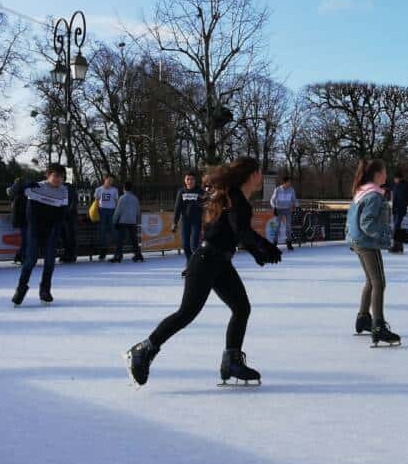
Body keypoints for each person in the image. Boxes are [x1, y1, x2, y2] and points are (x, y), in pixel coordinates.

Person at [125, 157, 282, 387]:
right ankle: (143, 351)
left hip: (219, 262)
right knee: (187, 312)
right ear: (251, 175)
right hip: (206, 261)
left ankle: (232, 361)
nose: (261, 176)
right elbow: (242, 230)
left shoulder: (234, 196)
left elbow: (234, 232)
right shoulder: (236, 197)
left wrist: (256, 252)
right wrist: (265, 247)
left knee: (241, 308)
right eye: (259, 172)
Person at [346, 159, 401, 347]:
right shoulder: (374, 196)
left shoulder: (362, 192)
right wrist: (386, 235)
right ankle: (378, 326)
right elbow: (367, 223)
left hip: (358, 241)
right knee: (379, 282)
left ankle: (363, 318)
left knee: (371, 281)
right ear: (377, 174)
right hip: (367, 243)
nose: (386, 176)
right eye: (384, 172)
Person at [11, 164, 69, 306]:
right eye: (55, 175)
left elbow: (62, 213)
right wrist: (21, 184)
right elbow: (12, 192)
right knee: (30, 261)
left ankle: (45, 290)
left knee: (50, 262)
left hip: (51, 231)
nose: (58, 179)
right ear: (47, 175)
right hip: (35, 229)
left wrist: (59, 231)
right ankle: (21, 289)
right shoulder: (36, 187)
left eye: (61, 177)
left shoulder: (64, 191)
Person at [172, 171, 205, 265]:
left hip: (196, 221)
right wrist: (174, 222)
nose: (190, 181)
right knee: (185, 245)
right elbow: (177, 208)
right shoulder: (181, 192)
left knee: (194, 245)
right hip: (185, 221)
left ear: (195, 180)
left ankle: (197, 263)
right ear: (185, 180)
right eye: (188, 179)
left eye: (192, 179)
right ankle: (190, 263)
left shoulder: (200, 191)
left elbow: (206, 205)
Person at [111, 182, 143, 263]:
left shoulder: (122, 198)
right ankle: (138, 254)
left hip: (123, 221)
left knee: (120, 240)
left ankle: (118, 255)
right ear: (131, 189)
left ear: (124, 189)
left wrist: (114, 221)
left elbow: (118, 211)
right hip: (132, 221)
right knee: (134, 239)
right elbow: (138, 211)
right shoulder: (135, 198)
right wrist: (137, 219)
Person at [93, 175, 120, 261]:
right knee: (102, 231)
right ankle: (103, 251)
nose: (110, 182)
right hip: (102, 211)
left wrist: (117, 212)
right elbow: (96, 202)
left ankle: (117, 250)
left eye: (112, 181)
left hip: (112, 211)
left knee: (113, 230)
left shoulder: (115, 190)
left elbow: (116, 202)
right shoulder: (98, 190)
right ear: (105, 179)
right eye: (109, 180)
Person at [269, 175, 298, 251]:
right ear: (284, 183)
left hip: (288, 210)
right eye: (288, 182)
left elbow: (294, 199)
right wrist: (274, 207)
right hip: (279, 210)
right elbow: (272, 200)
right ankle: (274, 243)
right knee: (277, 226)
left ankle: (289, 243)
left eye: (290, 182)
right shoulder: (277, 190)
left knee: (288, 226)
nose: (290, 183)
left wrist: (297, 205)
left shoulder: (291, 190)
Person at [388, 172, 408, 254]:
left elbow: (404, 198)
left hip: (399, 209)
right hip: (396, 209)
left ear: (400, 178)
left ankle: (396, 246)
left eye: (396, 178)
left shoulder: (403, 186)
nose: (395, 180)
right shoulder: (396, 186)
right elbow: (392, 190)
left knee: (396, 227)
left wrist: (402, 206)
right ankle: (399, 246)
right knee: (397, 227)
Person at [7, 177, 28, 264]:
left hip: (21, 219)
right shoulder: (23, 195)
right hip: (25, 219)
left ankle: (20, 256)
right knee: (26, 239)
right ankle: (21, 256)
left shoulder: (16, 196)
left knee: (25, 238)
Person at [60, 179, 78, 263]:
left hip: (68, 215)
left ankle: (70, 254)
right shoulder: (70, 188)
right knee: (67, 236)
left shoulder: (67, 188)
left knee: (68, 236)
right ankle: (70, 254)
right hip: (67, 215)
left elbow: (73, 202)